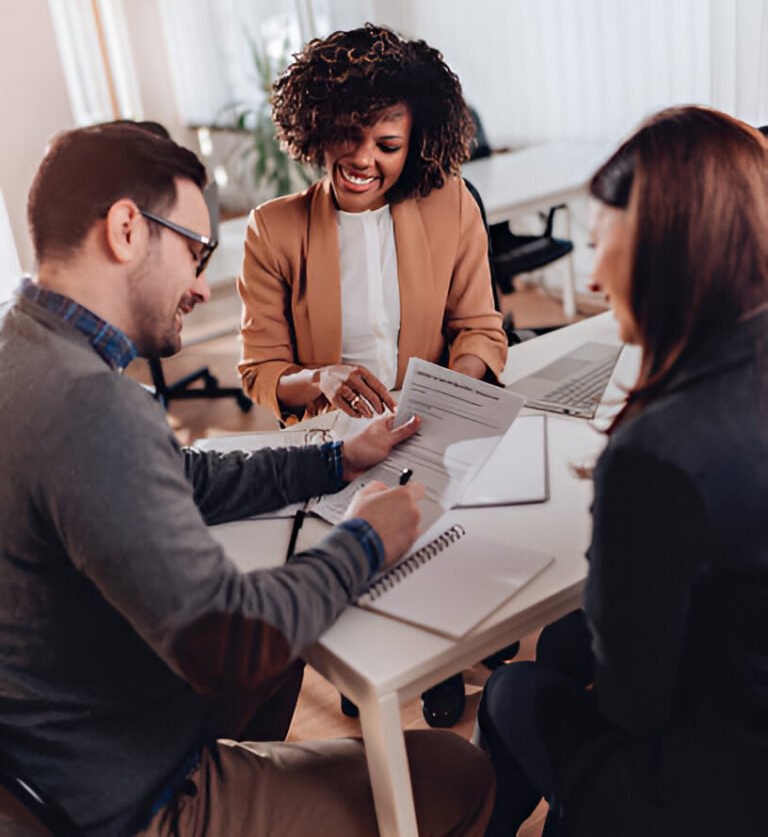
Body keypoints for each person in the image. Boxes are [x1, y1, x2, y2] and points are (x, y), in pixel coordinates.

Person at [0, 123, 494, 836]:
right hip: (124, 798)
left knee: (282, 642)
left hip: (59, 752)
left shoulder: (24, 350)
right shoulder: (89, 406)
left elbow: (181, 475)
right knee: (460, 774)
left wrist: (334, 460)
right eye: (195, 252)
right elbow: (229, 642)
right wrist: (365, 540)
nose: (202, 287)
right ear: (127, 230)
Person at [474, 105, 768, 835]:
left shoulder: (655, 455)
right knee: (563, 643)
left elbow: (633, 702)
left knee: (509, 690)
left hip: (715, 792)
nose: (596, 278)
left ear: (665, 254)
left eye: (600, 244)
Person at [237, 23, 508, 422]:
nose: (363, 159)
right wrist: (321, 379)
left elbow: (478, 329)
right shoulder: (273, 229)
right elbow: (262, 370)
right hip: (334, 433)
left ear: (413, 146)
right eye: (349, 135)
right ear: (320, 128)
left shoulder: (451, 205)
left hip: (426, 420)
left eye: (388, 145)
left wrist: (446, 396)